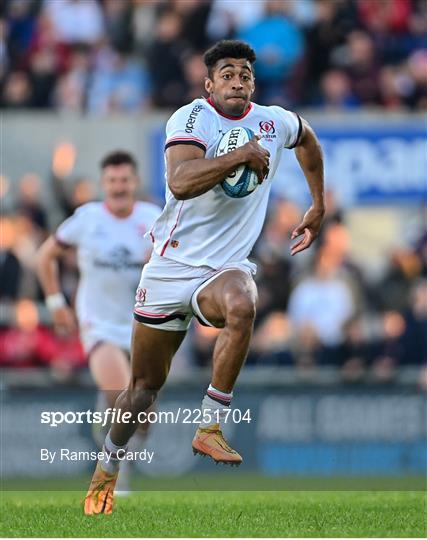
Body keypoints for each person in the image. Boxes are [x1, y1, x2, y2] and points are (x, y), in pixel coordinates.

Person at [84, 40, 325, 515]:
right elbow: (180, 180)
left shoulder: (274, 122)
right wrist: (239, 157)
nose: (238, 81)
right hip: (171, 267)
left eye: (245, 75)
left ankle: (210, 426)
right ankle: (107, 468)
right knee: (141, 391)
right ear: (209, 83)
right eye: (228, 74)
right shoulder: (192, 118)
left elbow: (309, 141)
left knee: (242, 302)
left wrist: (318, 204)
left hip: (223, 269)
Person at [37, 151, 161, 488]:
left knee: (145, 416)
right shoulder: (87, 218)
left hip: (143, 325)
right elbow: (45, 255)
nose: (119, 187)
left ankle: (112, 433)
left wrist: (161, 261)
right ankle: (113, 473)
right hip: (99, 323)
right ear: (103, 183)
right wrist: (54, 301)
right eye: (113, 181)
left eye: (125, 180)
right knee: (123, 395)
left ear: (134, 182)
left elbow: (179, 265)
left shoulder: (154, 220)